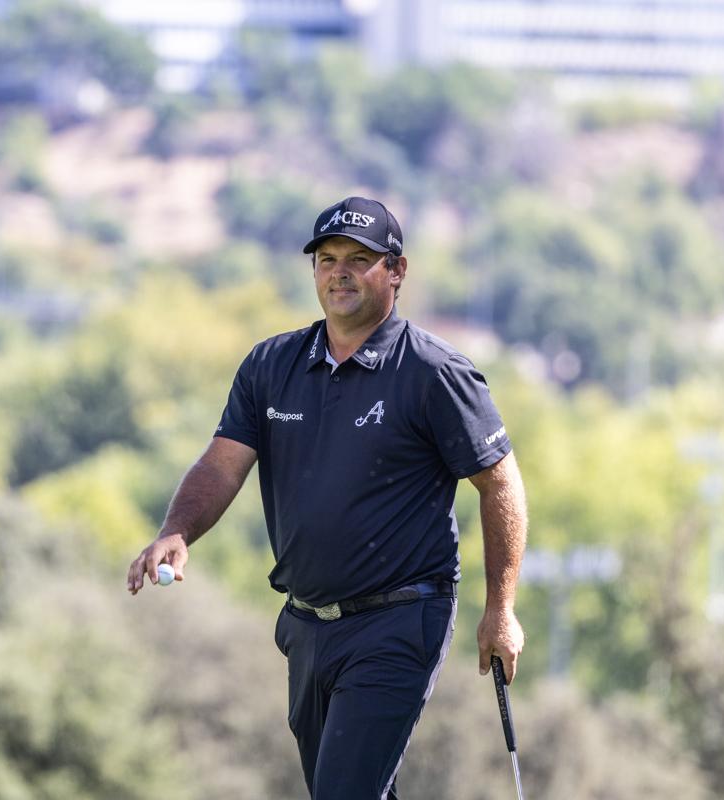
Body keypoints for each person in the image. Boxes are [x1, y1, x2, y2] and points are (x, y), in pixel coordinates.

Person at [126, 196, 527, 799]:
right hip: (307, 626)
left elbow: (500, 483)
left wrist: (501, 607)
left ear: (396, 270)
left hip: (400, 618)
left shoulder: (435, 372)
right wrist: (177, 530)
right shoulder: (270, 365)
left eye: (358, 259)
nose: (338, 271)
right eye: (327, 258)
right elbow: (224, 462)